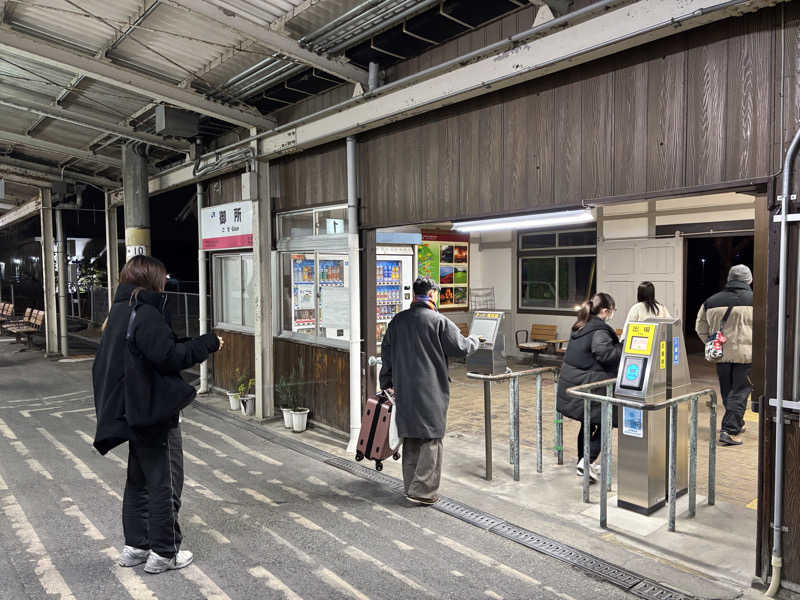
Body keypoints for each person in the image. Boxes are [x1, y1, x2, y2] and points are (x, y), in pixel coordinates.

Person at [92, 255, 223, 574]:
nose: (166, 282)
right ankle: (165, 551)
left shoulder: (119, 311)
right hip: (152, 412)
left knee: (137, 480)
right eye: (162, 277)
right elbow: (169, 356)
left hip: (131, 410)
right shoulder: (145, 312)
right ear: (152, 279)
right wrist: (208, 344)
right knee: (164, 481)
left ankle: (136, 546)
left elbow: (150, 352)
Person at [379, 277, 480, 505]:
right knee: (432, 437)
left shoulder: (398, 321)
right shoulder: (439, 321)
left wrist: (386, 382)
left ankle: (411, 486)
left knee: (412, 436)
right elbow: (461, 348)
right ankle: (423, 492)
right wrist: (476, 340)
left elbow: (386, 354)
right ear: (432, 294)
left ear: (415, 294)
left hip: (404, 388)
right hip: (430, 389)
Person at [556, 293, 622, 482]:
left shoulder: (581, 324)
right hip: (591, 385)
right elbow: (605, 355)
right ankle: (587, 461)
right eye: (612, 310)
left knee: (588, 423)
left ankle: (583, 463)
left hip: (576, 383)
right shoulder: (599, 330)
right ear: (605, 311)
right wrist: (623, 346)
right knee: (606, 422)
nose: (612, 314)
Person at [695, 264, 753, 447]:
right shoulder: (758, 300)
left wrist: (712, 344)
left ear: (729, 279)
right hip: (747, 356)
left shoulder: (711, 301)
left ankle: (736, 421)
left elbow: (700, 328)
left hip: (721, 356)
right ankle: (729, 430)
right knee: (741, 392)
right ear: (749, 280)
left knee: (728, 391)